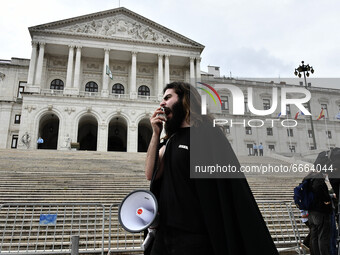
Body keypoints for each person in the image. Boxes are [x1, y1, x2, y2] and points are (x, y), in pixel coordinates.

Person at [144, 82, 278, 255]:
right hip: (165, 236)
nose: (162, 103)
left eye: (168, 97)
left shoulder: (208, 135)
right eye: (162, 99)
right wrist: (155, 134)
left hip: (195, 238)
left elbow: (227, 189)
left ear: (185, 100)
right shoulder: (168, 141)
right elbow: (150, 174)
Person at [304, 169, 332, 255]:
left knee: (314, 236)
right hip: (320, 212)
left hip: (311, 212)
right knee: (323, 236)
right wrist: (327, 199)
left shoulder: (307, 180)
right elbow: (322, 192)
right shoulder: (318, 180)